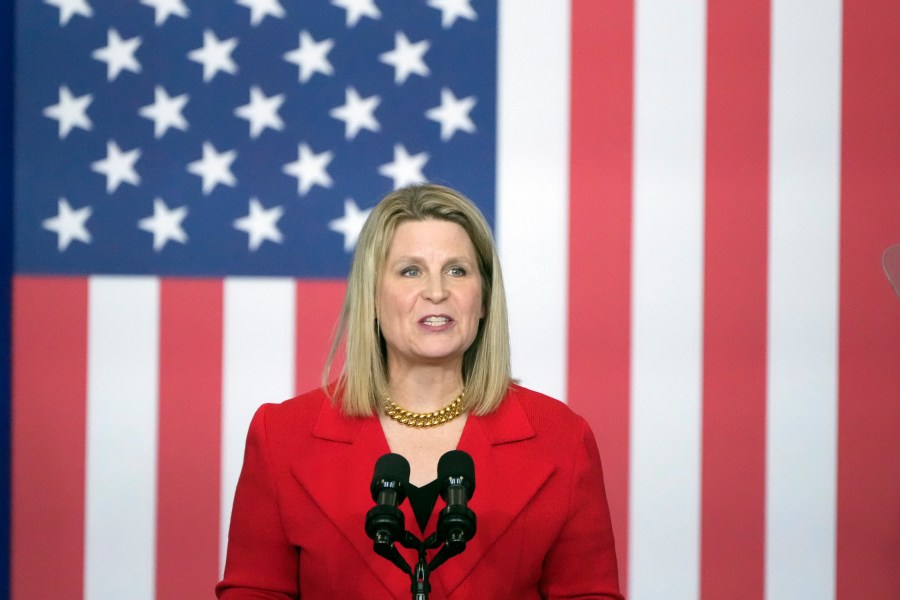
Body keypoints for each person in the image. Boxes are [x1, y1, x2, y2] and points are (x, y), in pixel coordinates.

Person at [216, 184, 623, 599]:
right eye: (411, 271)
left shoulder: (561, 439)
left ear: (483, 299)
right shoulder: (283, 435)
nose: (436, 291)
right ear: (372, 296)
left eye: (457, 270)